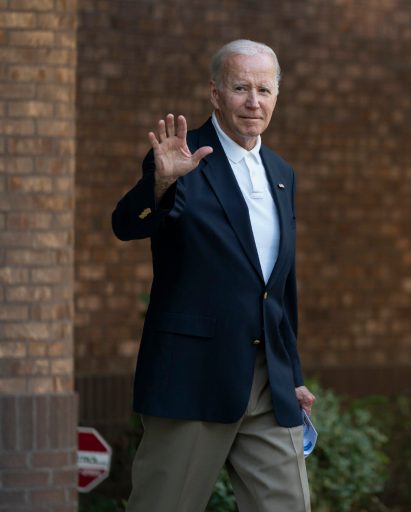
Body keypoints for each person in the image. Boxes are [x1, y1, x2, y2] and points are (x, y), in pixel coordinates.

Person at [112, 39, 314, 511]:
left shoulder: (282, 173)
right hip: (192, 378)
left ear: (277, 96)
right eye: (240, 87)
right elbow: (126, 225)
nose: (253, 101)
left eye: (264, 89)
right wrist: (160, 183)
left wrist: (294, 372)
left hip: (269, 383)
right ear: (215, 93)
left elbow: (278, 286)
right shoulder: (182, 159)